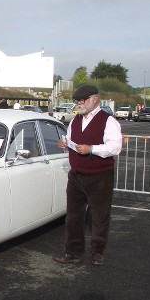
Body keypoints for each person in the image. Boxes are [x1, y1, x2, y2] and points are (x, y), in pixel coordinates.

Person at [52, 84, 122, 266]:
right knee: (73, 216)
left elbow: (115, 147)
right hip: (76, 175)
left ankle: (98, 253)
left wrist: (92, 149)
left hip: (100, 176)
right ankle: (73, 252)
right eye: (77, 101)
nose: (79, 104)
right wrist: (65, 143)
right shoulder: (76, 120)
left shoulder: (108, 121)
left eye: (82, 100)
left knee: (100, 217)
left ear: (94, 99)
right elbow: (71, 139)